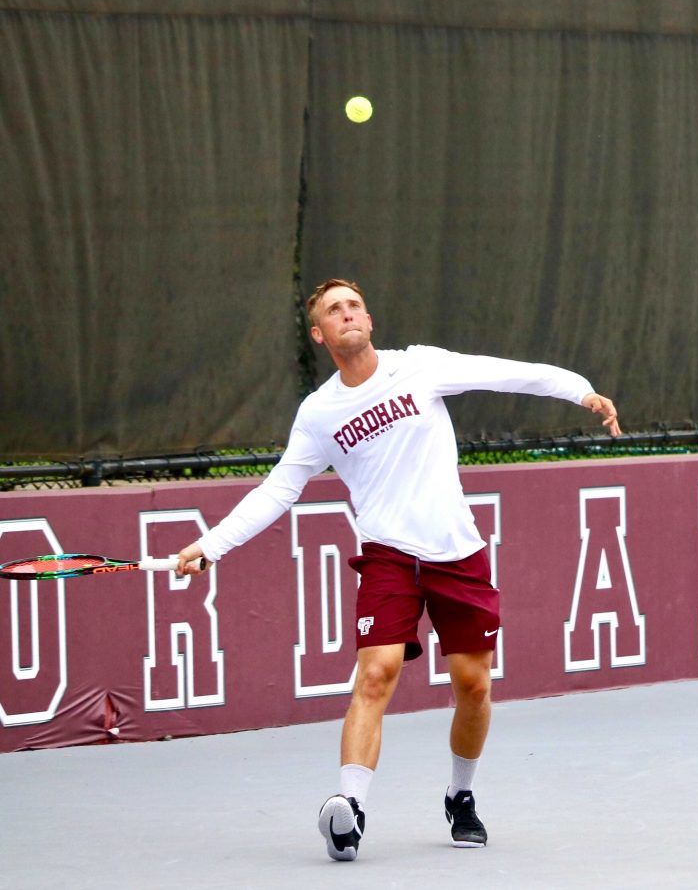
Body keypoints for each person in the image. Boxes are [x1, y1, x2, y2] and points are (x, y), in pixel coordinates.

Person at [176, 278, 621, 861]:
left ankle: (460, 796)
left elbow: (507, 372)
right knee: (376, 674)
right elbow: (277, 491)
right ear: (320, 334)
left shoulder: (420, 369)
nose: (347, 314)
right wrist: (212, 544)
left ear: (369, 319)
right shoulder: (318, 414)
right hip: (388, 557)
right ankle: (349, 810)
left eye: (354, 305)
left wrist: (581, 392)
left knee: (474, 686)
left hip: (457, 552)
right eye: (334, 311)